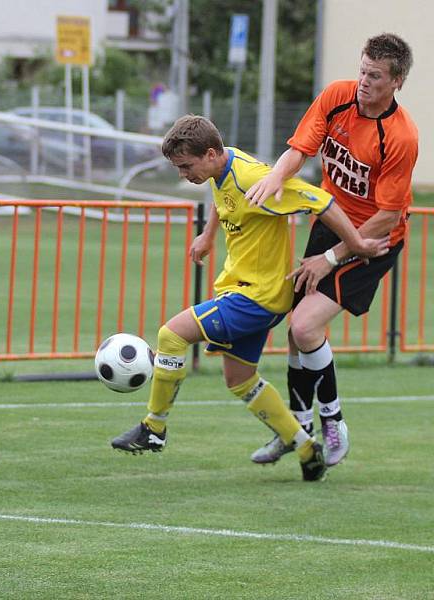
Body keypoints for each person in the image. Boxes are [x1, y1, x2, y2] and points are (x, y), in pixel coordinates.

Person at [110, 115, 389, 482]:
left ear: (210, 153)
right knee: (239, 379)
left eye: (186, 166)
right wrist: (209, 236)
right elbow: (222, 196)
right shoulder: (223, 166)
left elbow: (319, 201)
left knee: (170, 336)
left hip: (256, 297)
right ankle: (307, 451)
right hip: (245, 291)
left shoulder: (255, 177)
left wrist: (354, 245)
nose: (183, 174)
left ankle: (154, 428)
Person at [244, 33, 417, 467]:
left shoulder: (401, 137)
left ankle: (333, 420)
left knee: (304, 328)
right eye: (362, 70)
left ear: (396, 81)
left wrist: (332, 257)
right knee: (297, 336)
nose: (363, 81)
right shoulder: (338, 97)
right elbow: (299, 149)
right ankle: (297, 432)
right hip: (331, 222)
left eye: (374, 76)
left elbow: (388, 215)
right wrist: (275, 178)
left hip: (374, 240)